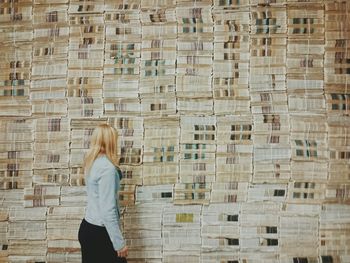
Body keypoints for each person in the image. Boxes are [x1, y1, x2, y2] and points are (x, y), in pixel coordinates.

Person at [78, 123, 128, 263]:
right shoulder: (108, 169)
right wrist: (119, 243)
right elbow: (108, 210)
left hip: (87, 228)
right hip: (100, 233)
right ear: (111, 142)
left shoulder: (91, 162)